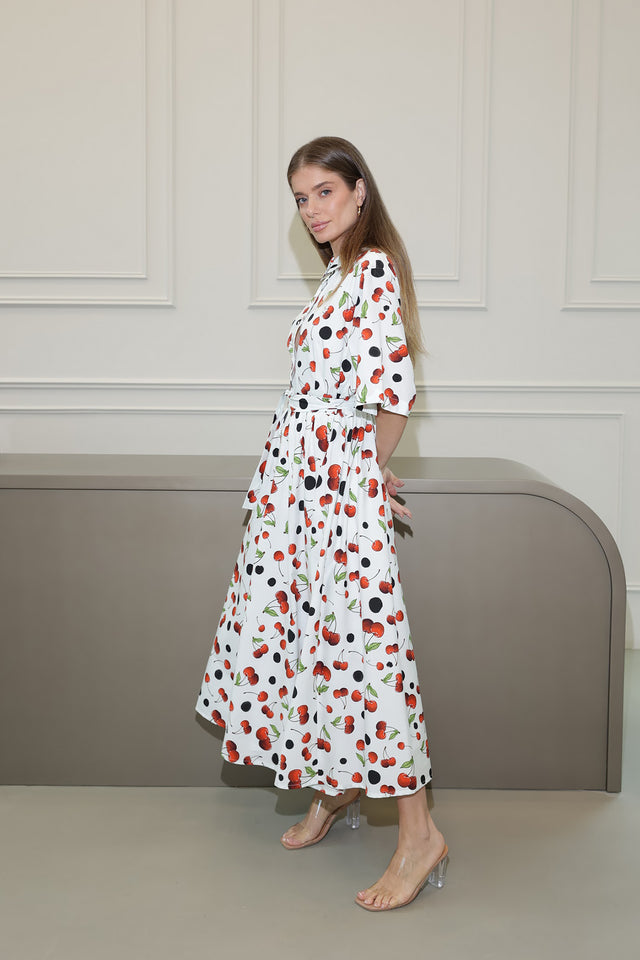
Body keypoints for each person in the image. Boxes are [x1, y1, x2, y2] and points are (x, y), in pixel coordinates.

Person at [196, 136, 448, 911]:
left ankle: (418, 834)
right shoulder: (338, 272)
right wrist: (343, 465)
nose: (310, 209)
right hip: (298, 489)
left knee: (369, 654)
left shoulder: (372, 269)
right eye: (300, 198)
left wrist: (362, 475)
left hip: (331, 498)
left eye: (323, 193)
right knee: (310, 641)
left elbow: (394, 394)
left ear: (359, 191)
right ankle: (335, 787)